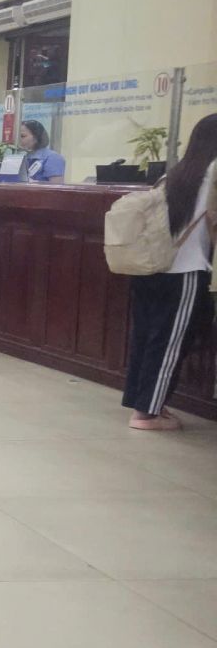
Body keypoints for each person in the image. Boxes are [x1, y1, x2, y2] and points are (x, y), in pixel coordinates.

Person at [122, 113, 217, 431]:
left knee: (147, 338)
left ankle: (144, 403)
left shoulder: (174, 175)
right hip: (184, 271)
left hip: (149, 268)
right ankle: (146, 414)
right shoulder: (212, 178)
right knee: (169, 343)